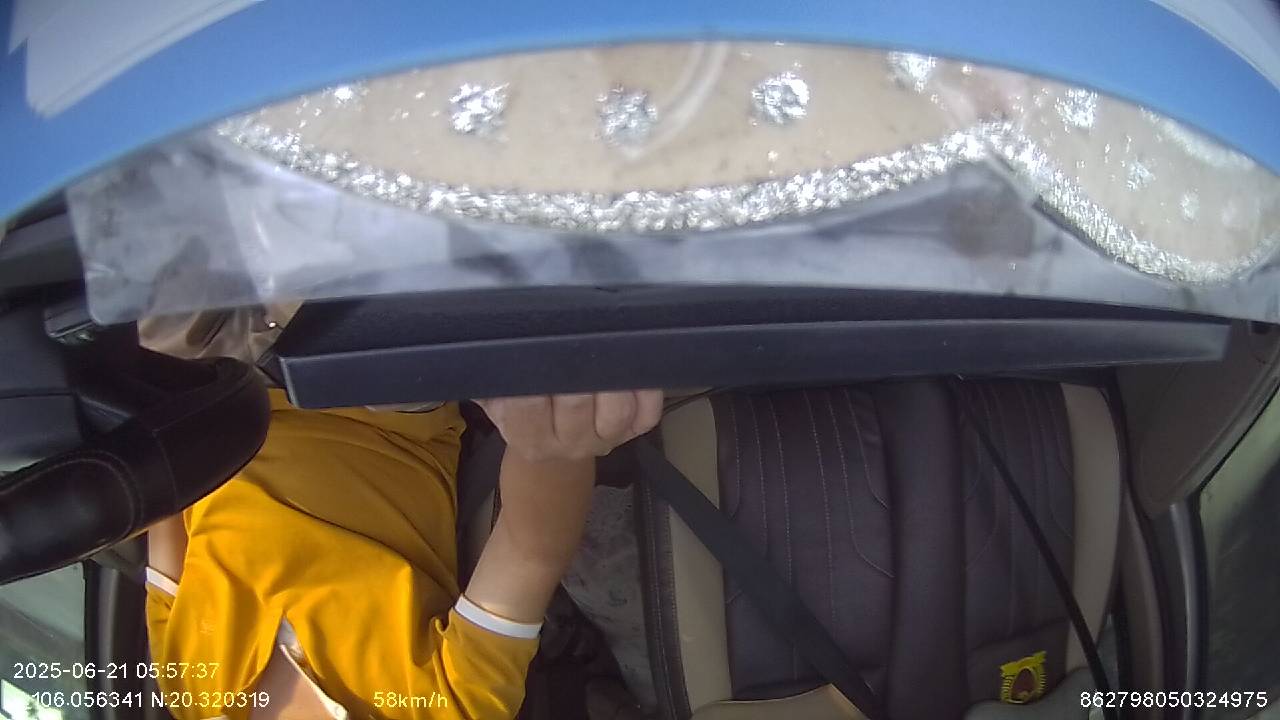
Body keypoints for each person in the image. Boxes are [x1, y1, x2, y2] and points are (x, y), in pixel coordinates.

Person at [145, 388, 663, 720]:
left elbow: (164, 492)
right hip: (386, 402)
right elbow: (530, 553)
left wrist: (157, 383)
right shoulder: (442, 709)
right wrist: (553, 439)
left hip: (222, 390)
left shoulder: (187, 687)